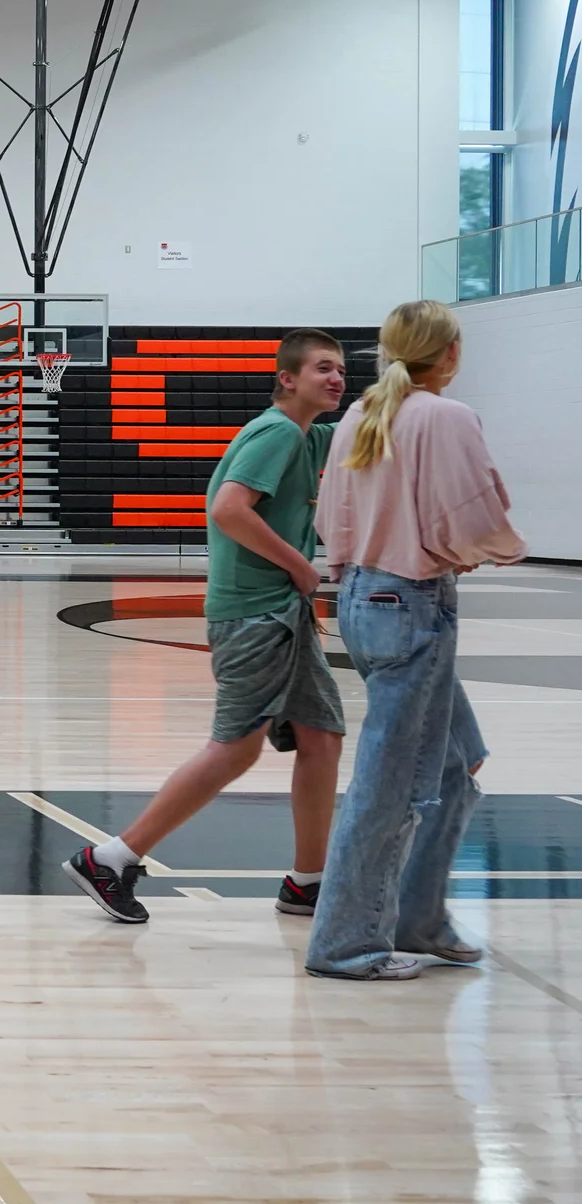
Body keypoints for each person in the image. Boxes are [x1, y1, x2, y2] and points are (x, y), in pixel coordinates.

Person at [66, 329, 350, 924]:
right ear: (286, 379)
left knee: (321, 737)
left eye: (341, 369)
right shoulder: (276, 432)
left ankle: (308, 881)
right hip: (255, 616)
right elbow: (227, 508)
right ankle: (110, 858)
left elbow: (360, 434)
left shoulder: (305, 436)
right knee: (235, 750)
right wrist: (301, 564)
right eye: (322, 368)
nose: (336, 378)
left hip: (282, 616)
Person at [305, 301, 525, 981]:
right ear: (450, 352)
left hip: (363, 601)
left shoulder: (360, 416)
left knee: (457, 766)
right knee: (392, 785)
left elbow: (329, 519)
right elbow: (473, 511)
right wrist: (493, 548)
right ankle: (346, 943)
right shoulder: (444, 416)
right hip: (412, 602)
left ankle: (418, 917)